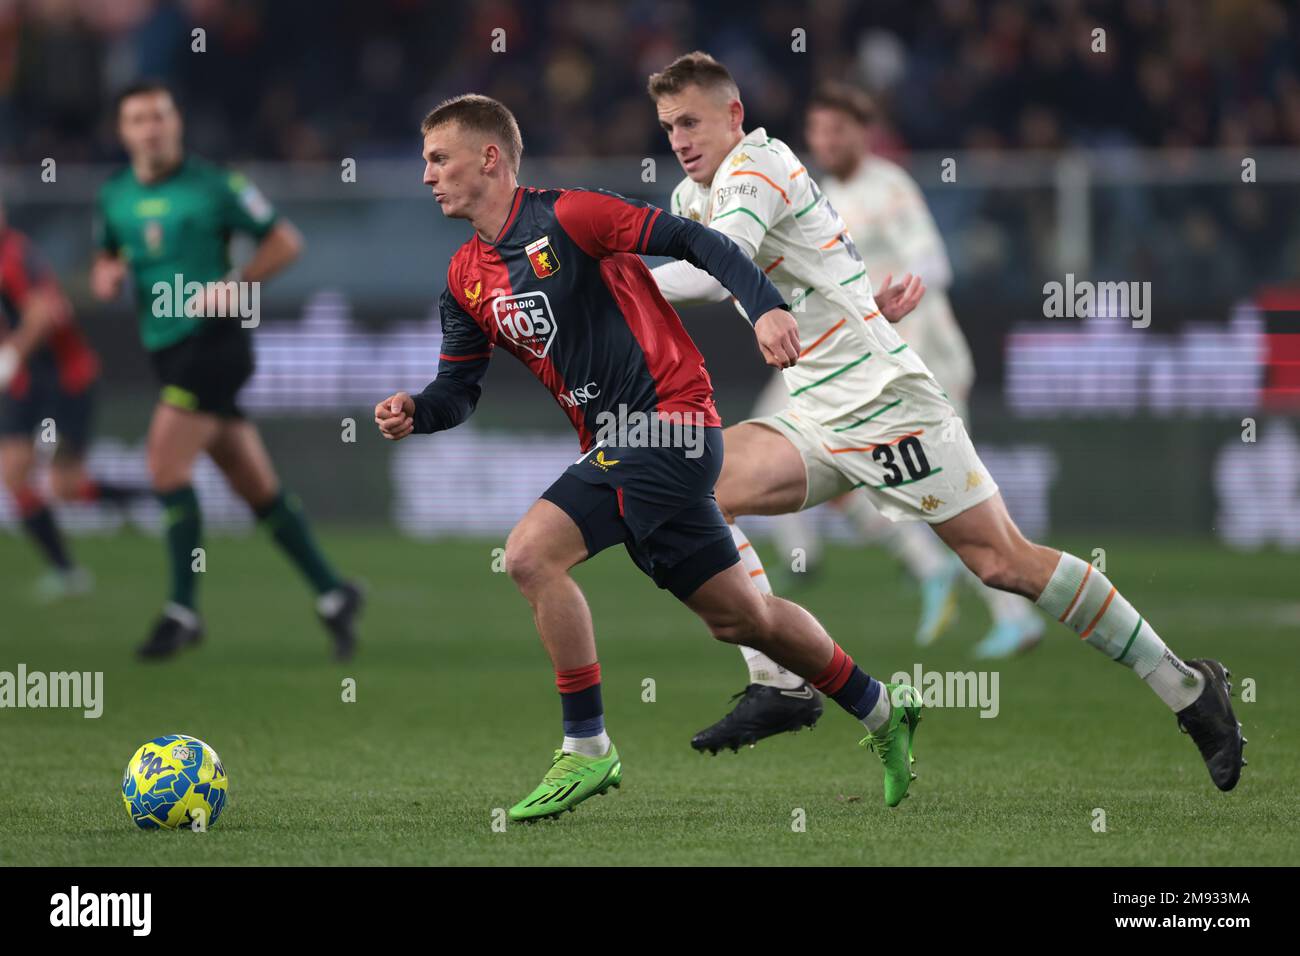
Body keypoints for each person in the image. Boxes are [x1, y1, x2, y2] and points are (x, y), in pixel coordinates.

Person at [648, 52, 1244, 792]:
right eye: (669, 126)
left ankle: (1187, 689)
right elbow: (789, 262)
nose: (679, 138)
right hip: (818, 409)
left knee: (1002, 563)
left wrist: (611, 272)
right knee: (691, 489)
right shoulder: (691, 193)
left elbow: (719, 263)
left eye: (691, 121)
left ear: (733, 116)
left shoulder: (755, 165)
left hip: (886, 400)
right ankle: (780, 681)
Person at [375, 93, 925, 820]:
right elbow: (459, 388)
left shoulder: (570, 215)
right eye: (424, 162)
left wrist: (764, 307)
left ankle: (587, 750)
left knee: (531, 555)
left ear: (489, 158)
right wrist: (418, 410)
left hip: (671, 423)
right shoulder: (465, 278)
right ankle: (884, 709)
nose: (426, 176)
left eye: (438, 158)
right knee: (744, 620)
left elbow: (701, 242)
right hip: (620, 447)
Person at [92, 81, 362, 660]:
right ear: (124, 131)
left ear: (176, 122)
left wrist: (236, 284)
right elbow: (108, 254)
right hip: (166, 348)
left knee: (164, 464)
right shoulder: (114, 195)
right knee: (255, 487)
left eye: (160, 116)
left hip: (215, 344)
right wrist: (106, 275)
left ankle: (181, 610)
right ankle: (333, 592)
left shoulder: (217, 186)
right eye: (138, 119)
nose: (151, 128)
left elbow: (286, 241)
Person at [1, 202, 146, 600]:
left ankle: (155, 496)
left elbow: (43, 315)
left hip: (66, 379)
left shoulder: (15, 255)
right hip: (26, 384)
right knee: (13, 473)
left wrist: (10, 357)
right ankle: (66, 572)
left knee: (65, 486)